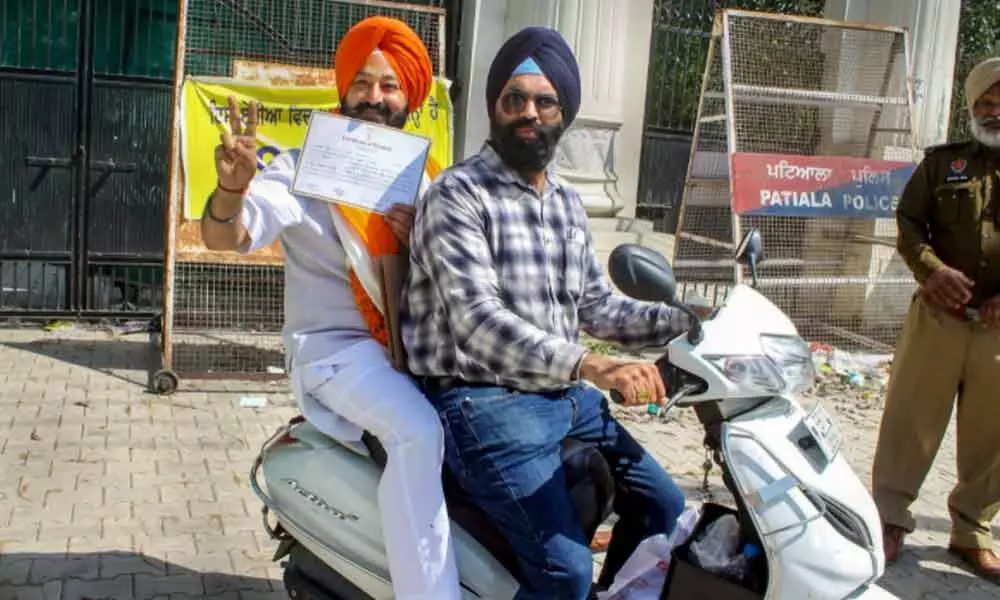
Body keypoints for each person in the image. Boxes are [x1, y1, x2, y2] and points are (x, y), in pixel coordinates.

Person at [402, 26, 695, 599]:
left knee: (665, 504)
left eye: (544, 101)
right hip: (483, 401)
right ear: (494, 107)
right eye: (514, 99)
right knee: (564, 571)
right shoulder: (457, 195)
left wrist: (687, 321)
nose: (528, 112)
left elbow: (596, 305)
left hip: (560, 396)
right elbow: (477, 322)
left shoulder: (563, 201)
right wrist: (592, 366)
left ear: (564, 114)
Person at [199, 16, 461, 600]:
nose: (374, 97)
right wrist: (232, 191)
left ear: (409, 99)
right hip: (335, 354)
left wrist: (426, 236)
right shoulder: (301, 168)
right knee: (417, 433)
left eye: (390, 86)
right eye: (364, 83)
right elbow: (228, 237)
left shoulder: (427, 180)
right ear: (344, 88)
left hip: (414, 352)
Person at [872, 56, 1000, 583]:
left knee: (992, 435)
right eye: (986, 102)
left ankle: (971, 532)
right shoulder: (942, 163)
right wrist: (931, 270)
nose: (995, 111)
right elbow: (908, 221)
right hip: (938, 317)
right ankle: (888, 519)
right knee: (910, 421)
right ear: (971, 107)